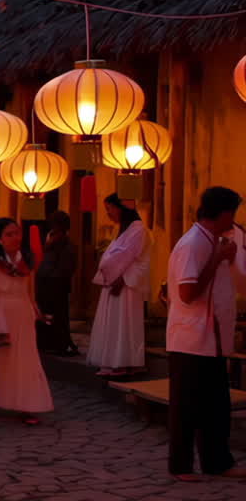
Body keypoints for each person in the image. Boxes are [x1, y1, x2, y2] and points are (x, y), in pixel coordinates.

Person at [166, 187, 246, 481]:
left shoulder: (215, 240)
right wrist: (218, 259)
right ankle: (181, 465)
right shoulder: (193, 244)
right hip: (191, 338)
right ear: (224, 213)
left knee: (216, 405)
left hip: (212, 338)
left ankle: (218, 461)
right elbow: (187, 293)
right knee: (186, 405)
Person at [0, 217, 53, 423]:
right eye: (9, 234)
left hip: (22, 311)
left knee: (26, 359)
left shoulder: (26, 259)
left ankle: (28, 405)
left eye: (17, 233)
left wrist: (35, 307)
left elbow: (30, 289)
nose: (15, 238)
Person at [88, 194, 151, 376]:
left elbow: (136, 259)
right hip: (113, 282)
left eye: (110, 208)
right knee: (113, 323)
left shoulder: (139, 230)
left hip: (126, 283)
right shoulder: (122, 230)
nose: (108, 213)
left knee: (125, 323)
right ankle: (112, 361)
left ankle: (124, 362)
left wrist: (121, 279)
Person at [35, 211, 78, 355]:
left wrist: (52, 279)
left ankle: (60, 343)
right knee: (44, 315)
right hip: (44, 283)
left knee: (58, 317)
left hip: (57, 286)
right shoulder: (49, 238)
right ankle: (46, 342)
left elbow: (65, 268)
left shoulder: (67, 245)